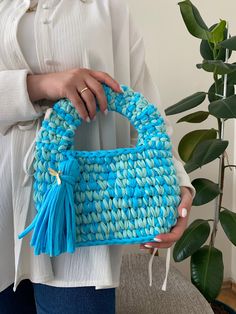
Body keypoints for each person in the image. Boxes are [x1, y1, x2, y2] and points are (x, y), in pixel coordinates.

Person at [0, 0, 196, 313]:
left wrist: (177, 184)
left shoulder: (108, 10)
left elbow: (148, 116)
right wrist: (38, 86)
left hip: (83, 223)